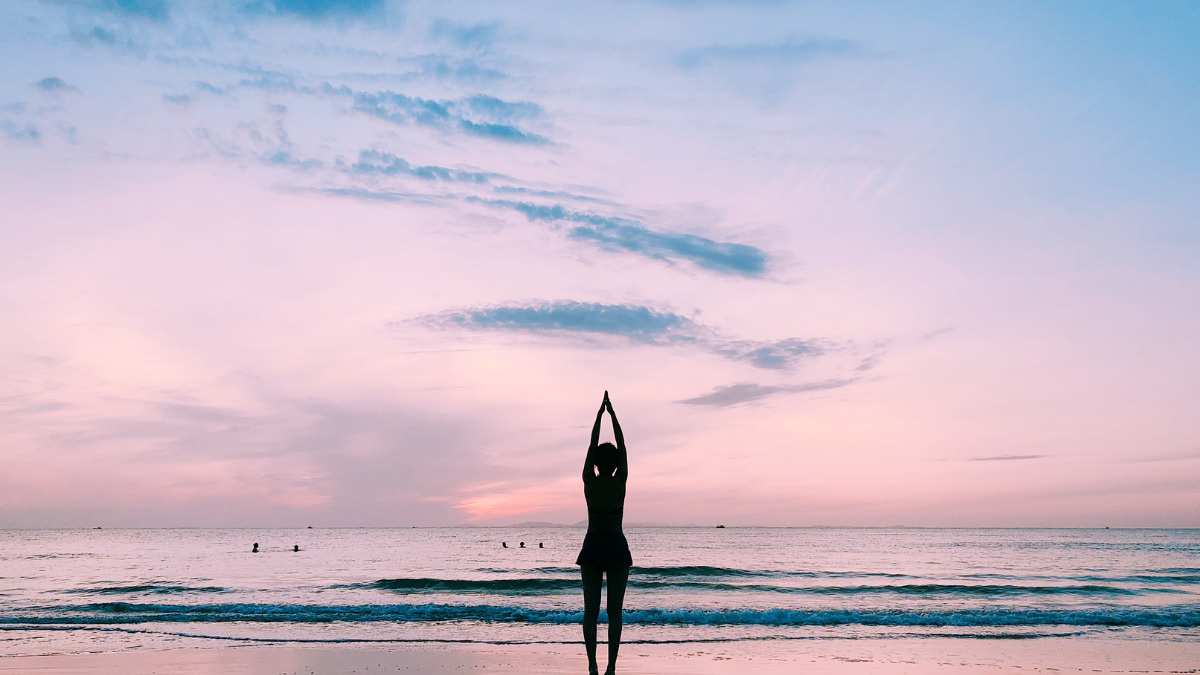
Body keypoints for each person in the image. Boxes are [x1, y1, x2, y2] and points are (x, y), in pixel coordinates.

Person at [576, 390, 631, 675]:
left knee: (591, 611)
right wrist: (613, 416)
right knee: (614, 613)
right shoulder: (620, 480)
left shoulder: (589, 481)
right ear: (616, 464)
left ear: (596, 463)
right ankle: (610, 667)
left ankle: (593, 665)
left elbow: (590, 446)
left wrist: (599, 416)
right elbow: (622, 447)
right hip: (615, 546)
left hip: (594, 545)